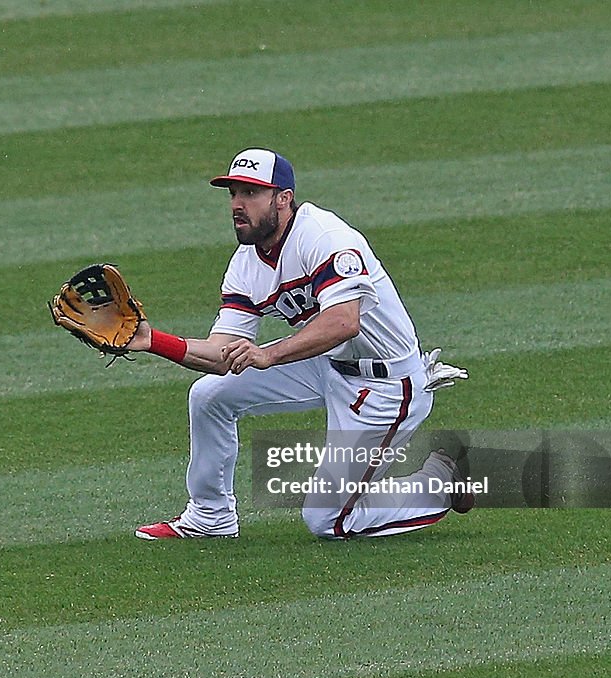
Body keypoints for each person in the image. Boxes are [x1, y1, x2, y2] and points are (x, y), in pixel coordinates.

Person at [126, 147, 472, 540]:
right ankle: (211, 516)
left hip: (385, 385)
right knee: (210, 395)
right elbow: (223, 353)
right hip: (324, 363)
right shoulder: (246, 264)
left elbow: (344, 322)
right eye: (233, 193)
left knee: (327, 521)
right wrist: (153, 341)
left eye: (251, 194)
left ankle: (441, 481)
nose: (238, 205)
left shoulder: (323, 236)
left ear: (283, 199)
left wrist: (268, 355)